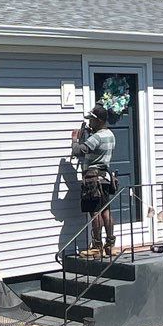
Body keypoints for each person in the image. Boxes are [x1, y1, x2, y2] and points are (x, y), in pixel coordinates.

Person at [70, 106, 117, 254]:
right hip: (105, 177)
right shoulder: (109, 135)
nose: (90, 122)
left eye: (92, 120)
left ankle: (96, 247)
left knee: (95, 212)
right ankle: (109, 245)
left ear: (99, 120)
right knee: (106, 211)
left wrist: (75, 140)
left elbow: (78, 151)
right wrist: (91, 133)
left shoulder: (96, 137)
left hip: (92, 178)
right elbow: (98, 147)